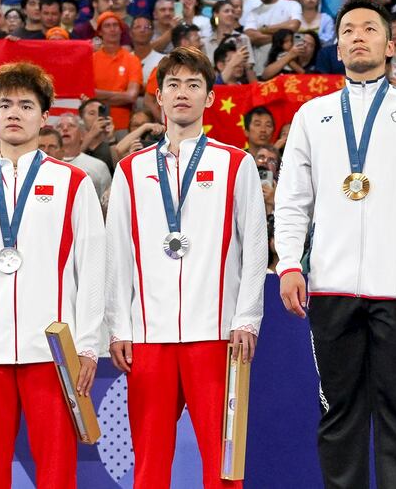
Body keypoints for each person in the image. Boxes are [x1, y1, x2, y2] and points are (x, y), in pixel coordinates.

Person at [275, 0, 396, 488]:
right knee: (338, 413)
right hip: (330, 285)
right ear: (337, 44)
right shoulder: (313, 115)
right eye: (349, 28)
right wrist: (290, 262)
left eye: (369, 29)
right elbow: (293, 197)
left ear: (390, 44)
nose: (358, 35)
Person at [0, 61, 105, 488]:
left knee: (57, 471)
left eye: (26, 105)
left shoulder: (73, 182)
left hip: (53, 351)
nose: (14, 112)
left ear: (44, 116)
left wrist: (86, 346)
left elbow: (93, 270)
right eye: (5, 104)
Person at [105, 46, 266, 489]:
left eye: (193, 85)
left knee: (223, 463)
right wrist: (118, 327)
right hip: (149, 336)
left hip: (216, 335)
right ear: (158, 96)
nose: (182, 93)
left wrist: (247, 318)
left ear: (210, 98)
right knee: (150, 465)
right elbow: (117, 253)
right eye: (173, 84)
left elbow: (254, 245)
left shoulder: (236, 163)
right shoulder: (131, 169)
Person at [93, 11, 142, 133]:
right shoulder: (91, 59)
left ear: (121, 30)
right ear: (100, 32)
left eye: (115, 25)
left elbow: (131, 96)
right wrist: (120, 96)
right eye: (107, 26)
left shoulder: (132, 60)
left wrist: (99, 97)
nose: (112, 29)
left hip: (123, 126)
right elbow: (88, 94)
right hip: (94, 125)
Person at [57, 112, 112, 199]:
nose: (65, 129)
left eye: (71, 125)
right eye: (59, 126)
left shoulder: (98, 166)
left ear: (82, 135)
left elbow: (106, 203)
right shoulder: (47, 166)